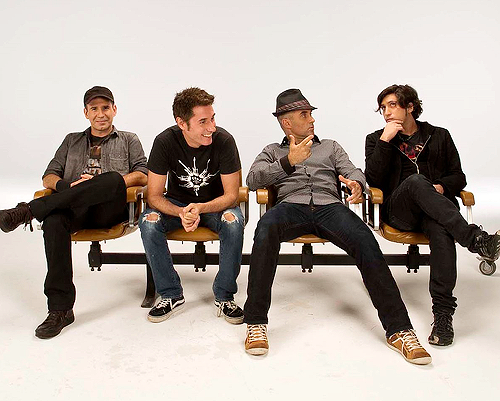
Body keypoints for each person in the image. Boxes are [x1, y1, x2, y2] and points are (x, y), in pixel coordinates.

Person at [243, 88, 431, 365]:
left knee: (365, 239)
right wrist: (288, 161)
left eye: (311, 114)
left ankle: (399, 330)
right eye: (304, 115)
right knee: (264, 230)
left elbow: (353, 171)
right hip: (290, 207)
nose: (312, 120)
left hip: (329, 207)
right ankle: (256, 322)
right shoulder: (272, 151)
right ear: (286, 122)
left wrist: (357, 184)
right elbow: (253, 179)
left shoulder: (330, 147)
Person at [0, 86, 148, 339]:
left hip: (110, 210)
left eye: (105, 108)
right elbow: (49, 176)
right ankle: (60, 310)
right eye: (94, 109)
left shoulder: (128, 139)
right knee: (54, 221)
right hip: (75, 209)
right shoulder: (71, 140)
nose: (100, 114)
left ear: (114, 110)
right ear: (85, 113)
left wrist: (102, 183)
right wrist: (69, 188)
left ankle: (27, 211)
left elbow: (143, 174)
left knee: (112, 179)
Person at [365, 84, 500, 347]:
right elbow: (373, 180)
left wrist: (441, 187)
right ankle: (475, 240)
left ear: (410, 107)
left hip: (436, 211)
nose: (386, 112)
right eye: (383, 108)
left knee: (441, 230)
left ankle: (443, 317)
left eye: (392, 105)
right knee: (416, 182)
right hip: (399, 211)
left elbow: (458, 176)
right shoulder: (376, 138)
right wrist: (384, 141)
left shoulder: (439, 135)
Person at [139, 87, 245, 325]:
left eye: (213, 118)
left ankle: (225, 296)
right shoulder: (164, 142)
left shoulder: (225, 141)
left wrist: (200, 208)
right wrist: (180, 212)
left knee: (233, 221)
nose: (212, 127)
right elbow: (154, 196)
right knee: (148, 221)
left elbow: (231, 195)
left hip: (215, 204)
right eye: (203, 122)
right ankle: (170, 293)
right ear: (182, 123)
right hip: (177, 205)